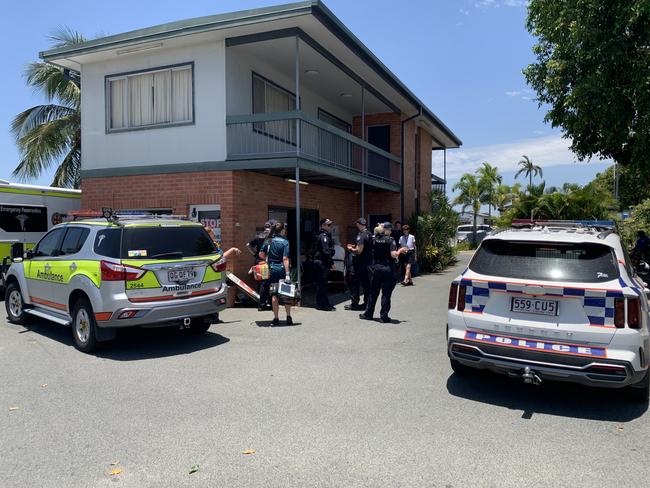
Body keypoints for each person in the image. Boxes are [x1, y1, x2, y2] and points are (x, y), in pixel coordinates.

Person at [360, 222, 406, 323]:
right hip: (388, 268)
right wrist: (400, 251)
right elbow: (393, 255)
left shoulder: (374, 239)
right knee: (386, 293)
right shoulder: (390, 240)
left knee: (373, 292)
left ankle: (368, 314)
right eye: (390, 230)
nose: (391, 231)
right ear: (386, 230)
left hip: (376, 269)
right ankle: (383, 316)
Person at [262, 222, 293, 326]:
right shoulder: (285, 242)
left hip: (271, 269)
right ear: (283, 231)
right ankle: (288, 316)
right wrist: (287, 273)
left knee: (274, 293)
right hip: (281, 269)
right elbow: (285, 258)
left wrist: (268, 258)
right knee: (286, 292)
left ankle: (276, 318)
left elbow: (261, 254)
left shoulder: (268, 240)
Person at [345, 217, 372, 310]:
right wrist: (355, 246)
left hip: (360, 264)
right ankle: (367, 303)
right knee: (366, 284)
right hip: (367, 263)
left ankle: (354, 304)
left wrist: (351, 249)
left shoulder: (362, 235)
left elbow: (359, 251)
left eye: (357, 224)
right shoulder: (369, 233)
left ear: (359, 224)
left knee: (354, 283)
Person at [247, 222, 272, 311]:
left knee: (261, 283)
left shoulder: (259, 237)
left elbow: (248, 245)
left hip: (259, 262)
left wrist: (254, 254)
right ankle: (265, 303)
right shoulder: (270, 238)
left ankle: (262, 303)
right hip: (265, 263)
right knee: (266, 283)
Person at [312, 218, 335, 311]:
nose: (330, 227)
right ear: (323, 226)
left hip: (323, 262)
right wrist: (332, 263)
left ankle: (325, 303)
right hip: (322, 262)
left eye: (330, 225)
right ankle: (321, 304)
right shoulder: (323, 236)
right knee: (321, 284)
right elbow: (326, 251)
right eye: (328, 225)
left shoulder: (326, 235)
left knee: (323, 284)